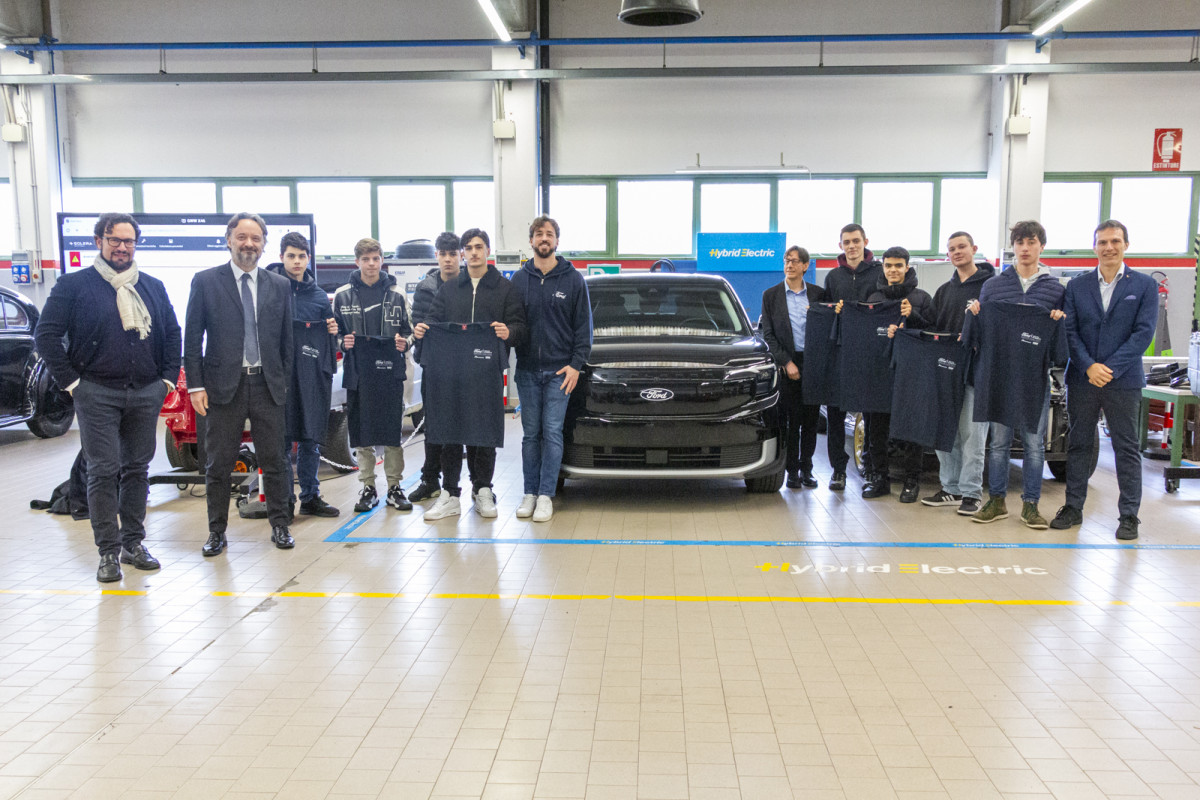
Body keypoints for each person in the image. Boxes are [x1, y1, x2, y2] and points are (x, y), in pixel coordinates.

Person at [35, 212, 181, 582]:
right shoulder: (74, 286)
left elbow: (171, 333)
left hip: (145, 392)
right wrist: (73, 383)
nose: (121, 247)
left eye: (128, 241)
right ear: (99, 241)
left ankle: (133, 543)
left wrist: (165, 381)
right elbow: (46, 336)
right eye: (114, 239)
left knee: (137, 469)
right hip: (96, 392)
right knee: (103, 470)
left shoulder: (152, 286)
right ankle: (108, 552)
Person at [184, 212, 294, 556]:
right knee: (218, 464)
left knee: (275, 461)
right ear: (229, 240)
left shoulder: (279, 285)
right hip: (222, 388)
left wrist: (284, 381)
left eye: (256, 238)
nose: (249, 244)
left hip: (267, 385)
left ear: (264, 244)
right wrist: (195, 385)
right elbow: (192, 339)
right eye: (242, 237)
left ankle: (280, 525)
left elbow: (286, 341)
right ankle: (216, 532)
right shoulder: (206, 282)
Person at [1051, 220, 1158, 540]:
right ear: (1094, 247)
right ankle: (1073, 507)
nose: (1109, 247)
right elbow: (1070, 331)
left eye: (1115, 241)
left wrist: (1108, 368)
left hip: (1123, 380)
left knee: (1126, 447)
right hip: (1082, 379)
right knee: (1079, 444)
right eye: (1103, 242)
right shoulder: (1077, 286)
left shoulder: (1144, 286)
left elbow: (1143, 333)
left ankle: (1129, 516)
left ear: (1126, 245)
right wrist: (1088, 367)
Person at [414, 228, 528, 521]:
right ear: (463, 253)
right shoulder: (449, 289)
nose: (474, 252)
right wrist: (423, 329)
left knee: (484, 432)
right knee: (450, 431)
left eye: (479, 247)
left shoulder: (505, 288)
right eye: (469, 248)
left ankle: (483, 489)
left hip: (486, 374)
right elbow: (432, 320)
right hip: (451, 375)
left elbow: (520, 327)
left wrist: (509, 332)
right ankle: (450, 493)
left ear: (488, 251)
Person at [968, 220, 1066, 529]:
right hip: (999, 375)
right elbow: (980, 330)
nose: (1025, 248)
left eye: (1031, 242)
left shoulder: (1055, 290)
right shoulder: (993, 286)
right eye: (1020, 242)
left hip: (1034, 378)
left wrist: (1058, 320)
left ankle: (1031, 505)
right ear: (1013, 247)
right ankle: (996, 501)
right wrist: (975, 314)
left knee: (1035, 444)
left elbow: (1060, 338)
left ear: (1041, 246)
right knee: (999, 442)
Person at [510, 216, 593, 522]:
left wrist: (575, 366)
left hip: (560, 373)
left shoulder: (573, 280)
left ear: (557, 241)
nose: (544, 238)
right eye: (538, 234)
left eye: (549, 234)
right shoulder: (519, 280)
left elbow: (584, 329)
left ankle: (546, 495)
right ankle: (529, 493)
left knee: (553, 433)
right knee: (531, 435)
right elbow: (512, 324)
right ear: (531, 241)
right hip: (527, 371)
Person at [331, 237, 414, 513]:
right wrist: (342, 343)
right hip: (358, 373)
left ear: (382, 260)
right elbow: (332, 335)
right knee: (361, 430)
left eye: (375, 258)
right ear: (357, 262)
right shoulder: (342, 295)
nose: (371, 264)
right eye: (365, 259)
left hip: (390, 373)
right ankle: (368, 487)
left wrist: (405, 343)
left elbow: (411, 331)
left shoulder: (397, 293)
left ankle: (394, 487)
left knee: (392, 431)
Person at [266, 232, 340, 519]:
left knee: (311, 439)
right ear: (281, 257)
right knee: (282, 442)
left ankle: (311, 497)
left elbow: (333, 335)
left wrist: (333, 332)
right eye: (291, 256)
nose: (296, 261)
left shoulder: (319, 296)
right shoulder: (269, 289)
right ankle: (284, 501)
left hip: (312, 377)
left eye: (301, 256)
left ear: (308, 258)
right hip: (278, 379)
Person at [921, 231, 995, 516]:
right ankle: (950, 488)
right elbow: (931, 326)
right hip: (946, 373)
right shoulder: (944, 291)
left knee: (973, 435)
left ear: (974, 249)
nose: (957, 252)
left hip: (976, 373)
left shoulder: (990, 287)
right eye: (952, 249)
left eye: (962, 246)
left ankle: (971, 493)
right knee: (945, 434)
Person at [865, 246, 932, 502]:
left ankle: (912, 481)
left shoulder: (922, 298)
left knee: (912, 430)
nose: (893, 270)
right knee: (877, 431)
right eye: (888, 265)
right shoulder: (874, 297)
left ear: (907, 267)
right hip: (880, 373)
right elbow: (866, 334)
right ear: (883, 267)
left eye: (898, 265)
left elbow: (932, 333)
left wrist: (912, 316)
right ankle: (880, 479)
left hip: (912, 373)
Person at [822, 224, 883, 490]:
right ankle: (838, 470)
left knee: (871, 416)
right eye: (846, 242)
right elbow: (826, 312)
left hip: (870, 355)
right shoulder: (833, 277)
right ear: (841, 246)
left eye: (856, 241)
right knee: (835, 415)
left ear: (865, 241)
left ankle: (869, 468)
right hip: (840, 354)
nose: (852, 246)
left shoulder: (879, 273)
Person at [760, 245, 824, 490]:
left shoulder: (818, 294)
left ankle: (807, 469)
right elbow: (768, 335)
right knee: (791, 421)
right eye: (787, 260)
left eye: (795, 261)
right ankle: (792, 472)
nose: (790, 265)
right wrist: (786, 362)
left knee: (810, 420)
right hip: (787, 364)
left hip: (813, 362)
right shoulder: (771, 295)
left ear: (805, 266)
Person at [408, 232, 462, 504]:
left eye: (453, 254)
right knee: (433, 426)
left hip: (464, 368)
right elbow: (418, 326)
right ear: (437, 256)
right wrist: (420, 334)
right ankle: (430, 480)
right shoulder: (425, 288)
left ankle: (456, 487)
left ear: (460, 256)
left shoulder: (470, 286)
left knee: (457, 428)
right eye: (443, 254)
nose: (448, 259)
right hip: (434, 366)